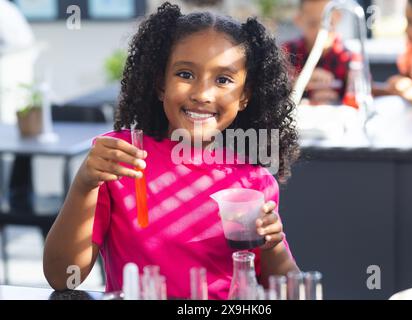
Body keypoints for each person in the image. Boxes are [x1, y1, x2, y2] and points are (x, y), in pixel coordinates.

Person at [43, 2, 301, 299]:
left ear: (244, 97)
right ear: (160, 84)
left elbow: (290, 291)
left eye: (223, 80)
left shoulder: (253, 182)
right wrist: (84, 184)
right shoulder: (120, 159)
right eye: (185, 74)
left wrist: (274, 245)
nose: (202, 94)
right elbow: (62, 277)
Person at [282, 0, 354, 105]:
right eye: (313, 24)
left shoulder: (348, 58)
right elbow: (270, 92)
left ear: (338, 17)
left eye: (328, 23)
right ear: (298, 20)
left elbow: (363, 92)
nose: (321, 31)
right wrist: (299, 83)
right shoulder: (286, 54)